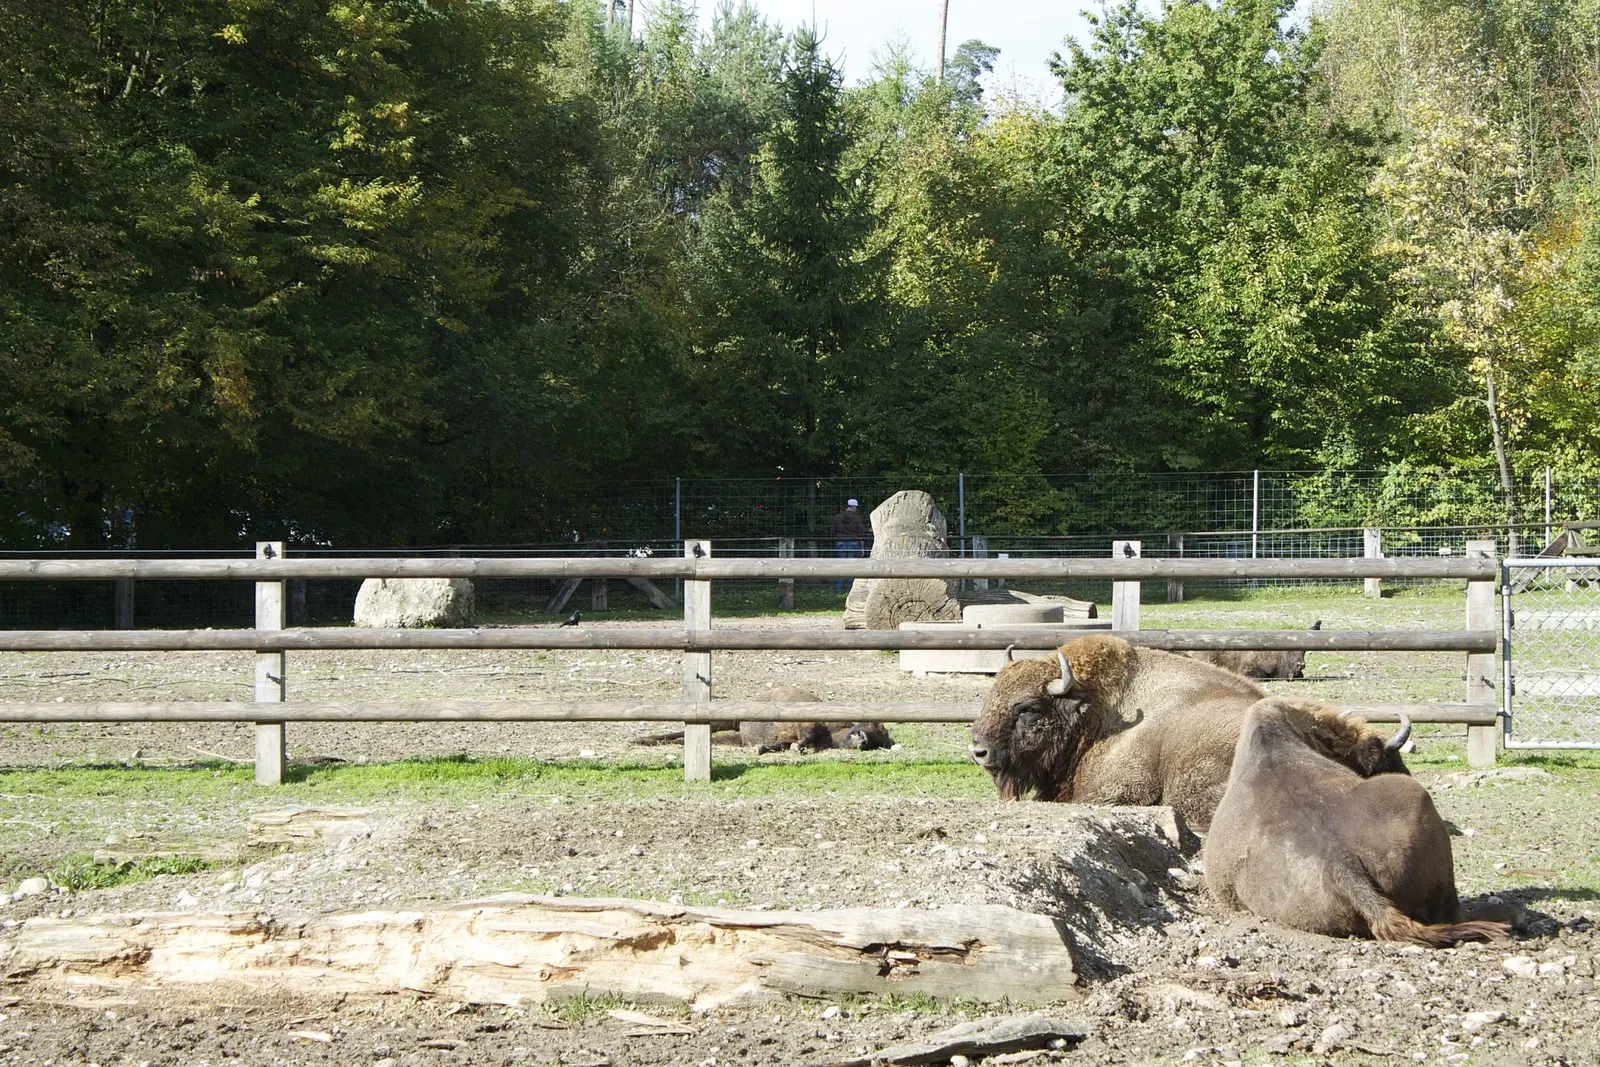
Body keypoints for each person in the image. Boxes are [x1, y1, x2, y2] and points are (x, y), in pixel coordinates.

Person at [831, 499, 866, 592]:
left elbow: (833, 532)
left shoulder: (837, 517)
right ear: (854, 507)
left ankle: (838, 590)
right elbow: (861, 533)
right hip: (854, 543)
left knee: (840, 567)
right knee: (852, 567)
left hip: (840, 543)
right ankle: (852, 590)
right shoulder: (857, 518)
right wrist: (862, 548)